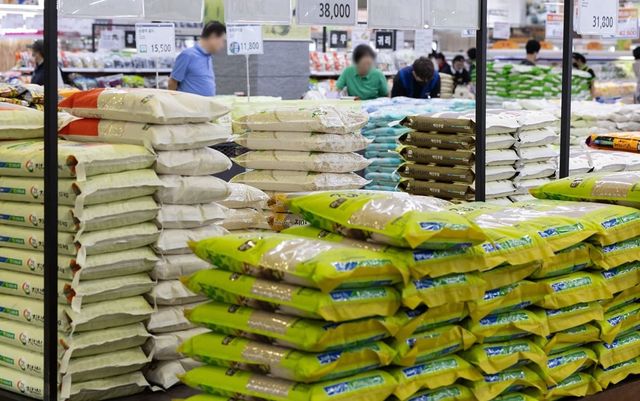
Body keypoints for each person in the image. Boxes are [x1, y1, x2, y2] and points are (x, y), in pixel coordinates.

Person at [169, 21, 226, 96]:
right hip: (189, 103)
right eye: (222, 41)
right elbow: (172, 82)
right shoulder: (187, 55)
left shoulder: (208, 56)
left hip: (206, 102)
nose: (222, 45)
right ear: (213, 36)